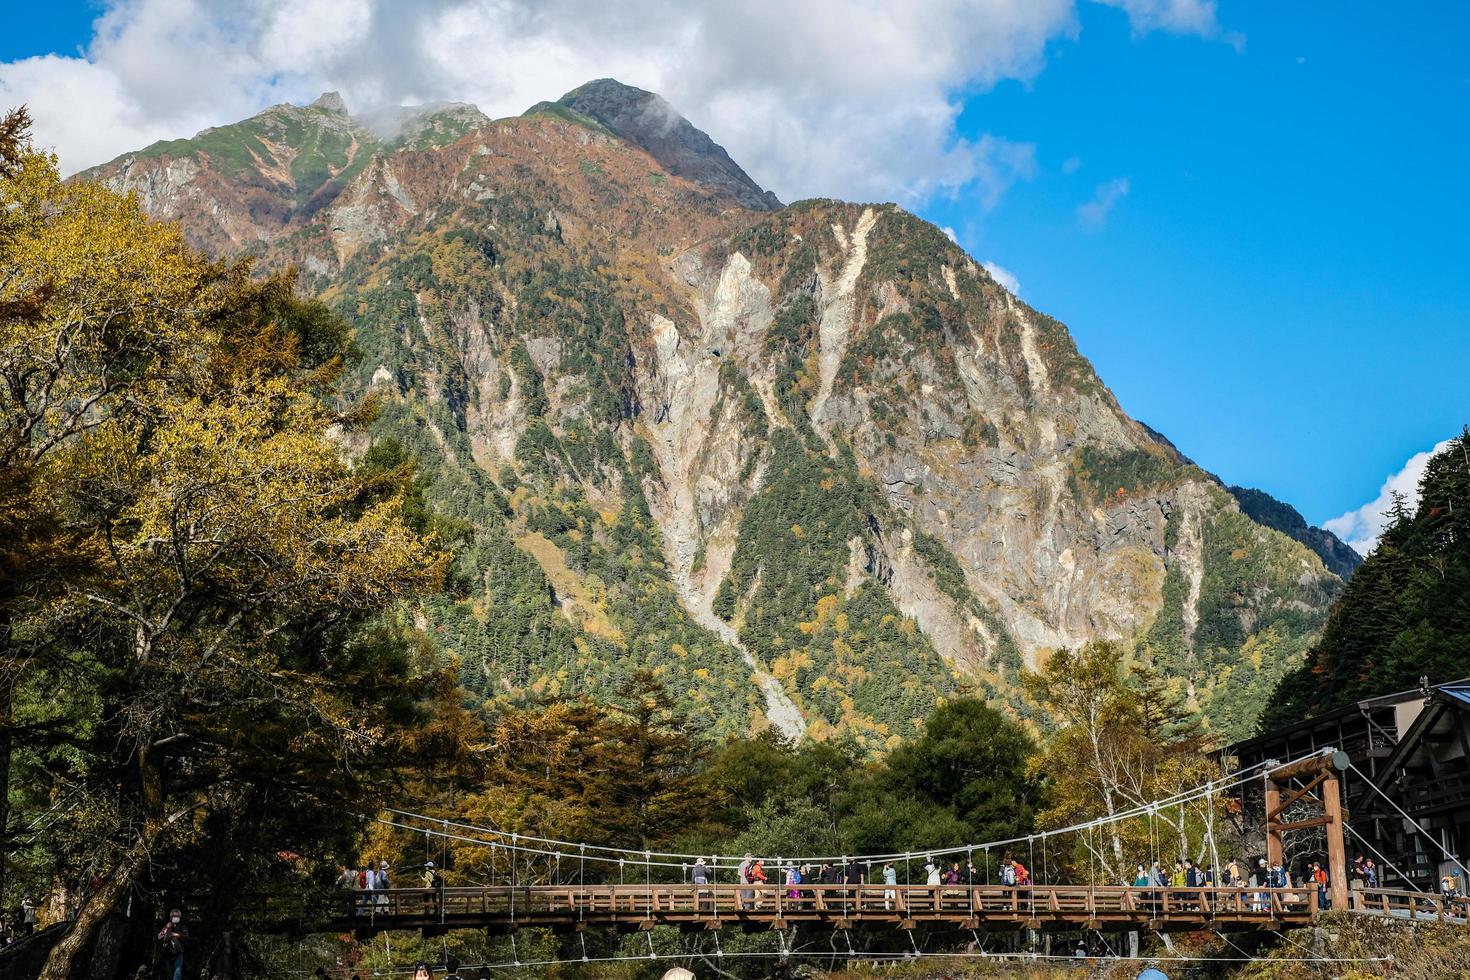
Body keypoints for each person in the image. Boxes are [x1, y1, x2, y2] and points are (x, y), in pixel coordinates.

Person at [157, 908, 188, 980]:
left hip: (179, 952)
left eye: (178, 916)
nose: (176, 917)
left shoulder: (182, 926)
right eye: (174, 916)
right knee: (170, 973)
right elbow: (159, 937)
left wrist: (177, 935)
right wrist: (166, 929)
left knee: (178, 971)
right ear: (171, 917)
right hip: (168, 952)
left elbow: (186, 937)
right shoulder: (167, 926)